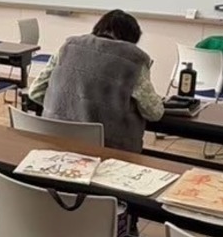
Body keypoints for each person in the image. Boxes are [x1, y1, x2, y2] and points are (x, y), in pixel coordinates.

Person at [40, 10, 164, 150]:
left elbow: (35, 92)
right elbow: (155, 112)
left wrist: (68, 104)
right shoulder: (133, 59)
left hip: (55, 142)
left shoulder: (67, 46)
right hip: (107, 149)